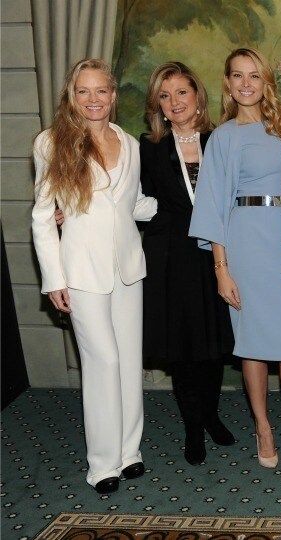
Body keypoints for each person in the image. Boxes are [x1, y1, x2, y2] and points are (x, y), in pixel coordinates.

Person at [31, 58, 157, 494]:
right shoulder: (51, 143)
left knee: (128, 360)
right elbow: (43, 216)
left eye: (100, 90)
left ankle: (129, 452)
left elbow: (135, 203)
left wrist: (181, 204)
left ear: (113, 95)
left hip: (127, 266)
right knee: (102, 361)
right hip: (81, 269)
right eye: (83, 92)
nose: (92, 100)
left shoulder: (130, 143)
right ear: (72, 96)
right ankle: (102, 464)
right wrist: (53, 278)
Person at [189, 48, 281, 469]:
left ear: (265, 82)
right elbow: (213, 206)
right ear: (228, 83)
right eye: (237, 76)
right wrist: (221, 269)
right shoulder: (222, 137)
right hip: (243, 244)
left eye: (254, 75)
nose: (246, 83)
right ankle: (262, 425)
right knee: (252, 348)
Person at [138, 62, 236, 466]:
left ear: (197, 96)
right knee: (183, 349)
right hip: (171, 260)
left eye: (182, 92)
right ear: (157, 105)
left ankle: (211, 414)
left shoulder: (220, 141)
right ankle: (192, 427)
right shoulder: (148, 147)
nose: (175, 101)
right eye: (165, 95)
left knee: (212, 345)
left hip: (217, 257)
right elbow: (133, 201)